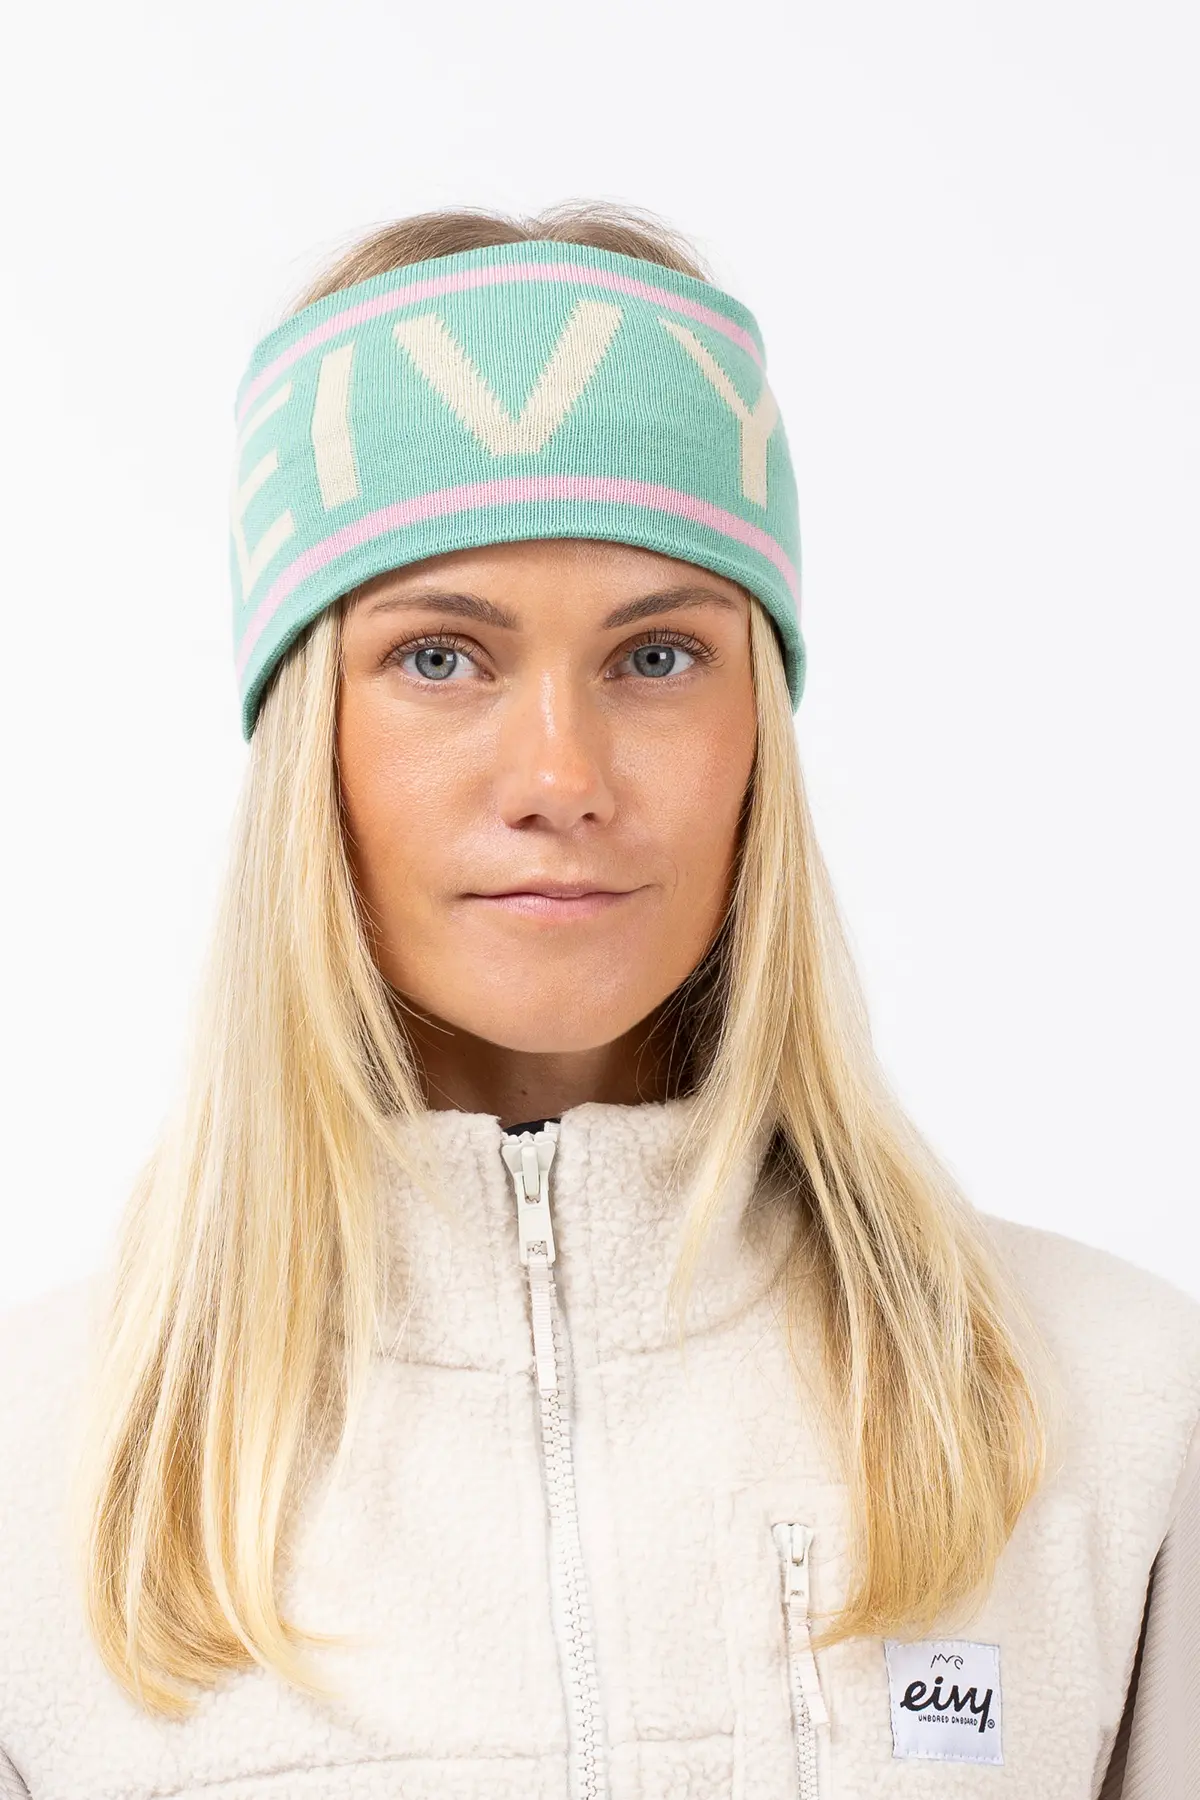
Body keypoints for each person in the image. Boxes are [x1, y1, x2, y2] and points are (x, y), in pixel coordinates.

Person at [0, 201, 1196, 1800]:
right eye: (440, 657)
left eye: (658, 658)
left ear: (759, 728)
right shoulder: (40, 1480)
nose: (561, 776)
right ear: (306, 740)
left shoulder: (1113, 1410)